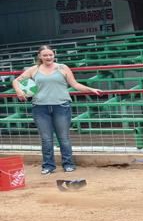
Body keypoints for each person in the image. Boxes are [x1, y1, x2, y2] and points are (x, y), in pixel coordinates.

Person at [12, 46, 104, 175]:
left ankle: (68, 164)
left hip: (61, 106)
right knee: (46, 138)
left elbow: (75, 84)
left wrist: (91, 89)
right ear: (39, 56)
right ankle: (48, 166)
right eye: (45, 55)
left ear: (54, 55)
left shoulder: (63, 68)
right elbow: (16, 81)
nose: (48, 57)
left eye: (50, 54)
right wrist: (18, 90)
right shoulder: (34, 69)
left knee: (64, 137)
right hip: (40, 107)